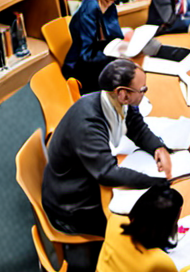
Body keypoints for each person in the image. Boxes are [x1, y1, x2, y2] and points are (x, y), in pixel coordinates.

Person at [42, 59, 173, 241]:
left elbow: (136, 126)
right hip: (71, 204)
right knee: (141, 230)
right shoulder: (88, 124)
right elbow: (107, 173)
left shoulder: (114, 101)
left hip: (85, 180)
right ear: (123, 94)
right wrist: (157, 182)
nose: (145, 93)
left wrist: (158, 148)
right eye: (142, 90)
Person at [62, 0, 190, 93]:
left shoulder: (110, 7)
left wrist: (128, 42)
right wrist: (120, 57)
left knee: (150, 46)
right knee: (137, 67)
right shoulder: (89, 9)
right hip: (85, 69)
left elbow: (115, 37)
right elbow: (86, 55)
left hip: (106, 55)